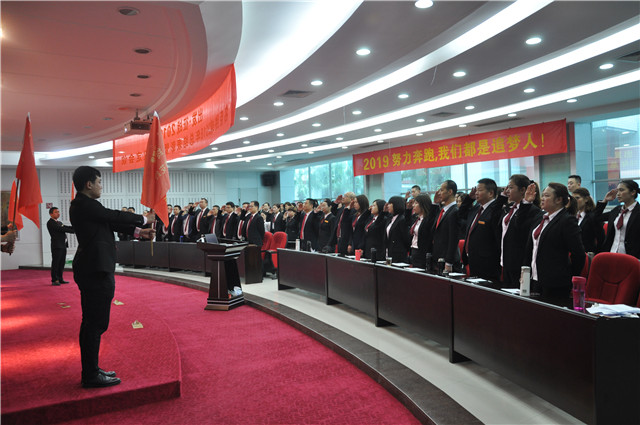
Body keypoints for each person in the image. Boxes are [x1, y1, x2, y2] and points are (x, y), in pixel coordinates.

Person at [70, 166, 155, 388]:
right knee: (95, 324)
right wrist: (143, 219)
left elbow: (109, 223)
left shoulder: (85, 205)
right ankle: (90, 375)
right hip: (95, 270)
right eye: (99, 182)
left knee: (92, 323)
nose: (101, 186)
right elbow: (112, 215)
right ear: (89, 184)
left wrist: (139, 232)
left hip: (93, 268)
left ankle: (92, 369)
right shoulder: (84, 204)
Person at [524, 182, 585, 302]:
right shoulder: (540, 217)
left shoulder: (567, 220)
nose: (542, 198)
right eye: (542, 195)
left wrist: (568, 277)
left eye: (547, 196)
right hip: (534, 277)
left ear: (558, 200)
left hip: (555, 282)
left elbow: (579, 254)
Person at [458, 178, 507, 282]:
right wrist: (469, 199)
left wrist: (502, 197)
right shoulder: (476, 208)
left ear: (490, 193)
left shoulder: (496, 209)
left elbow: (495, 218)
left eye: (480, 190)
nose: (476, 193)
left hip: (488, 263)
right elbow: (460, 214)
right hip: (472, 260)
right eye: (476, 190)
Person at [500, 175, 543, 287]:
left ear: (522, 190)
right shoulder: (510, 208)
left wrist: (526, 204)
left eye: (511, 187)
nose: (507, 190)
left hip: (518, 262)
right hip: (506, 260)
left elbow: (519, 228)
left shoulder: (533, 211)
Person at [596, 179, 639, 259]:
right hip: (612, 253)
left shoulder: (638, 212)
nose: (618, 194)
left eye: (621, 190)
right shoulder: (617, 210)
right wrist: (605, 201)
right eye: (617, 190)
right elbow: (596, 218)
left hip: (631, 257)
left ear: (633, 192)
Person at [428, 180, 462, 273]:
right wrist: (435, 204)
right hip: (437, 257)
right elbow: (430, 226)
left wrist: (449, 262)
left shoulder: (455, 211)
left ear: (450, 192)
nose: (439, 193)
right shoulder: (442, 210)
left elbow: (453, 239)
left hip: (447, 260)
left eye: (442, 190)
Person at [47, 206, 75, 285]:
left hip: (63, 245)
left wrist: (76, 227)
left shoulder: (59, 222)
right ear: (51, 214)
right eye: (56, 212)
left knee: (61, 263)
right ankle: (54, 280)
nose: (58, 213)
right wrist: (73, 231)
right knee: (56, 263)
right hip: (57, 245)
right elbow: (61, 229)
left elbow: (65, 227)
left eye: (58, 212)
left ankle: (60, 278)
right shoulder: (50, 223)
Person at [572, 187, 605, 254]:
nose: (574, 201)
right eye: (573, 199)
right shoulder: (573, 216)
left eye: (577, 198)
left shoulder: (592, 217)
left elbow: (601, 239)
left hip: (588, 253)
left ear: (586, 199)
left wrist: (596, 254)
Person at [409, 194, 435, 269]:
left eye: (416, 203)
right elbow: (407, 221)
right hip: (414, 249)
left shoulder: (427, 219)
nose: (413, 205)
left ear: (423, 205)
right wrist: (408, 209)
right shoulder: (416, 218)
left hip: (422, 252)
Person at [384, 196, 409, 263]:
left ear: (396, 205)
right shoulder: (390, 218)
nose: (388, 206)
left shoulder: (402, 219)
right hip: (389, 251)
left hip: (399, 254)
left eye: (390, 204)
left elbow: (406, 238)